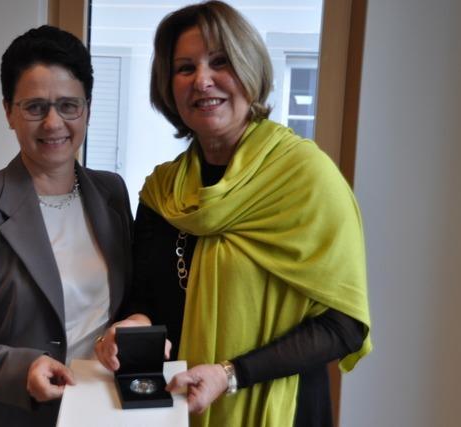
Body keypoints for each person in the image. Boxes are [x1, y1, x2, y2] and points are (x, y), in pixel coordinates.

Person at [95, 2, 371, 426]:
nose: (202, 80)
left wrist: (231, 374)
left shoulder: (307, 178)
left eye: (220, 61)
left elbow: (345, 324)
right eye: (185, 68)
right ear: (168, 87)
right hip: (184, 402)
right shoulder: (163, 191)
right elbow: (149, 298)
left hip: (283, 409)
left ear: (249, 68)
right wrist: (132, 324)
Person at [0, 25, 133, 427]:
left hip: (98, 413)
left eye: (68, 105)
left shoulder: (112, 193)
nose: (54, 123)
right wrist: (23, 370)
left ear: (88, 109)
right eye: (35, 107)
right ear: (9, 112)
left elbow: (125, 306)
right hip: (5, 417)